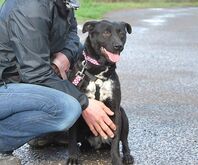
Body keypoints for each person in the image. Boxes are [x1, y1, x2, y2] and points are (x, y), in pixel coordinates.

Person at [0, 0, 116, 164]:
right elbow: (35, 73)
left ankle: (45, 132)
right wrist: (85, 103)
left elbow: (73, 36)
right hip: (6, 85)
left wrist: (64, 57)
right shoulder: (30, 6)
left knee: (82, 53)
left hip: (25, 78)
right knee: (68, 108)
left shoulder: (64, 2)